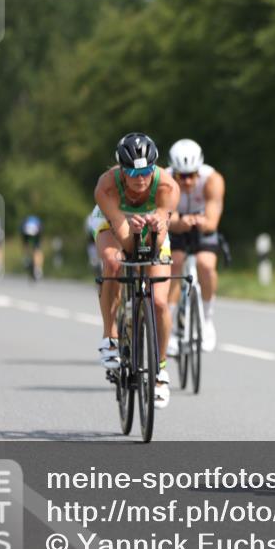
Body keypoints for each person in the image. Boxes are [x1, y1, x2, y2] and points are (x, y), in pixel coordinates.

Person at [88, 133, 179, 409]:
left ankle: (160, 372)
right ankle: (110, 337)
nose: (140, 179)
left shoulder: (167, 186)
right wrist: (134, 233)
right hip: (114, 223)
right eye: (132, 172)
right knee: (114, 263)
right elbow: (126, 243)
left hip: (151, 227)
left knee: (160, 302)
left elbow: (158, 243)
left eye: (146, 171)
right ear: (121, 169)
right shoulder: (106, 186)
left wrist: (152, 232)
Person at [165, 138, 226, 355]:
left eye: (192, 175)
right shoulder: (163, 180)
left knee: (206, 265)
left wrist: (201, 222)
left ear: (199, 170)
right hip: (175, 226)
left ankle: (207, 320)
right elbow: (160, 216)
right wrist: (178, 223)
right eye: (182, 176)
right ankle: (169, 327)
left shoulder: (213, 180)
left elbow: (212, 221)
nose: (187, 181)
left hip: (202, 227)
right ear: (174, 171)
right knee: (175, 263)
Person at [20, 214, 44, 280]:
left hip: (37, 231)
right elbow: (24, 241)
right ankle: (27, 258)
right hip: (28, 230)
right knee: (27, 245)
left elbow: (40, 237)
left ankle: (38, 268)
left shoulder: (39, 226)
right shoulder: (23, 226)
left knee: (37, 249)